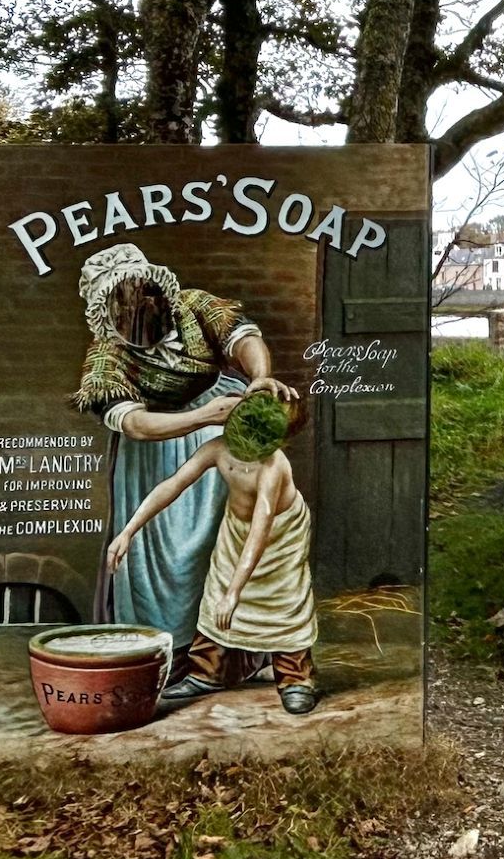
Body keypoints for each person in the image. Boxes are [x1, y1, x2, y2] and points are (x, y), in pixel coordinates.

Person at [72, 244, 299, 647]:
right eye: (122, 305)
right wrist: (201, 417)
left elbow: (242, 338)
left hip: (224, 421)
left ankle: (229, 649)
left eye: (144, 294)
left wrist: (260, 375)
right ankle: (170, 647)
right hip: (160, 445)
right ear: (107, 314)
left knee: (224, 540)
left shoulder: (194, 306)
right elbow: (136, 424)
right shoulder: (106, 359)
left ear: (158, 289)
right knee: (167, 558)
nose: (138, 309)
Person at [105, 392, 319, 714]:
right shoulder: (218, 448)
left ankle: (295, 679)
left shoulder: (274, 467)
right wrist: (128, 531)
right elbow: (173, 484)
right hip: (236, 530)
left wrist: (235, 592)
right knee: (215, 592)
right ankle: (207, 672)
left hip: (280, 536)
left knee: (282, 601)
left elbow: (262, 527)